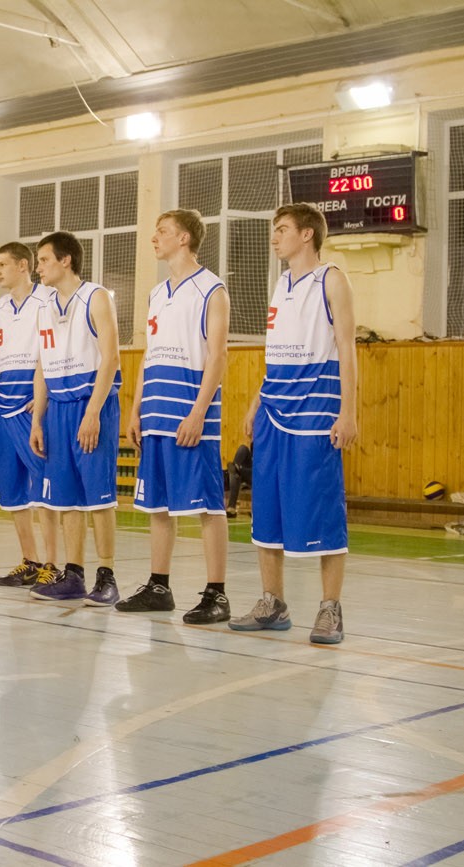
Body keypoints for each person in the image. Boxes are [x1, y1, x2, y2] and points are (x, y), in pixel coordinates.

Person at [231, 203, 358, 645]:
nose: (274, 236)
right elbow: (277, 353)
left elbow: (347, 347)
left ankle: (330, 609)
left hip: (316, 412)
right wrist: (256, 402)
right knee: (266, 510)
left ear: (307, 234)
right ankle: (273, 602)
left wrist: (349, 411)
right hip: (273, 410)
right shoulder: (281, 284)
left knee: (322, 510)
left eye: (282, 229)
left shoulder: (332, 279)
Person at [119, 209, 232, 624]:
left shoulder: (211, 289)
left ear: (184, 238)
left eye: (162, 231)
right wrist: (136, 409)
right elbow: (150, 355)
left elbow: (218, 356)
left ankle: (217, 594)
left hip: (190, 414)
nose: (155, 238)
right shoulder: (157, 293)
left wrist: (199, 412)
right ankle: (159, 587)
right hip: (155, 412)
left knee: (208, 506)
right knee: (158, 506)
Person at [27, 232, 123, 604]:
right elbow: (41, 366)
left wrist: (94, 411)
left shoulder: (95, 297)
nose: (38, 268)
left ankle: (107, 576)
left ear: (65, 260)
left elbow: (111, 358)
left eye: (44, 260)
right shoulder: (44, 307)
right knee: (65, 498)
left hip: (90, 404)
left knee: (98, 497)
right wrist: (38, 419)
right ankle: (74, 575)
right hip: (57, 409)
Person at [0, 242, 59, 588]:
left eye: (3, 264)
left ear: (23, 265)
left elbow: (59, 346)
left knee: (45, 487)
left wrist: (46, 394)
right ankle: (31, 560)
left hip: (31, 398)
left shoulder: (48, 299)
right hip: (3, 400)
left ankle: (53, 565)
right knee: (12, 491)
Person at [226, 442, 252, 518]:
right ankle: (231, 508)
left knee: (235, 470)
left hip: (259, 475)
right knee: (243, 448)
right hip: (250, 471)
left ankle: (238, 469)